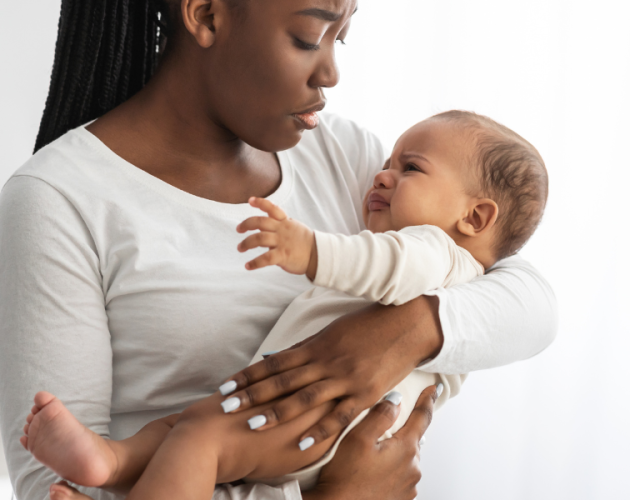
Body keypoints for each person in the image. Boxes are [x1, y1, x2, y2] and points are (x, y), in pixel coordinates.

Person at [0, 1, 558, 499]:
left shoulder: (343, 155)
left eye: (342, 38)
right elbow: (56, 485)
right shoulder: (58, 200)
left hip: (253, 445)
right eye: (309, 37)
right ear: (207, 15)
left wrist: (407, 332)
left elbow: (524, 297)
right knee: (191, 435)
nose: (332, 72)